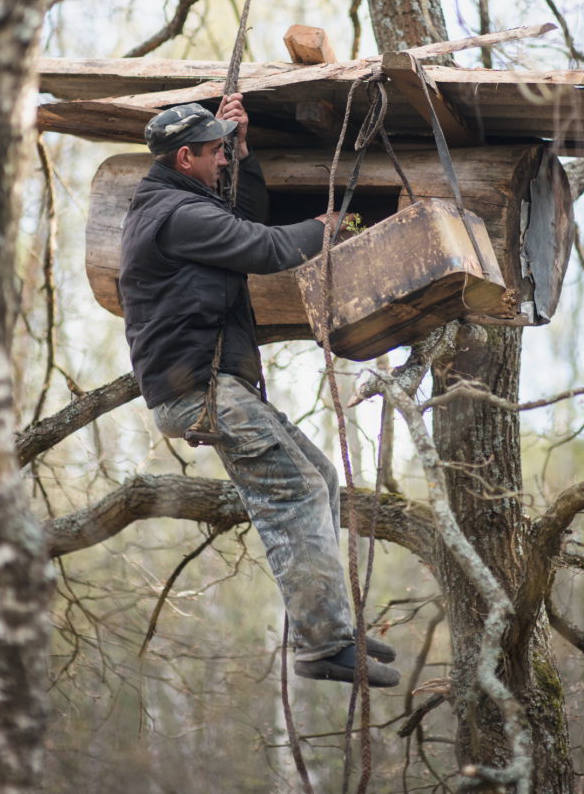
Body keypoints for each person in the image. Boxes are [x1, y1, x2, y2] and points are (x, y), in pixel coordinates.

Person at [119, 94, 400, 688]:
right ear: (185, 156)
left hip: (208, 385)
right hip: (198, 388)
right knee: (294, 490)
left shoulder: (177, 202)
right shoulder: (176, 215)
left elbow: (239, 220)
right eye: (218, 151)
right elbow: (265, 246)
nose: (224, 159)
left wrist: (244, 152)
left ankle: (331, 629)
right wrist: (333, 226)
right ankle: (323, 645)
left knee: (319, 477)